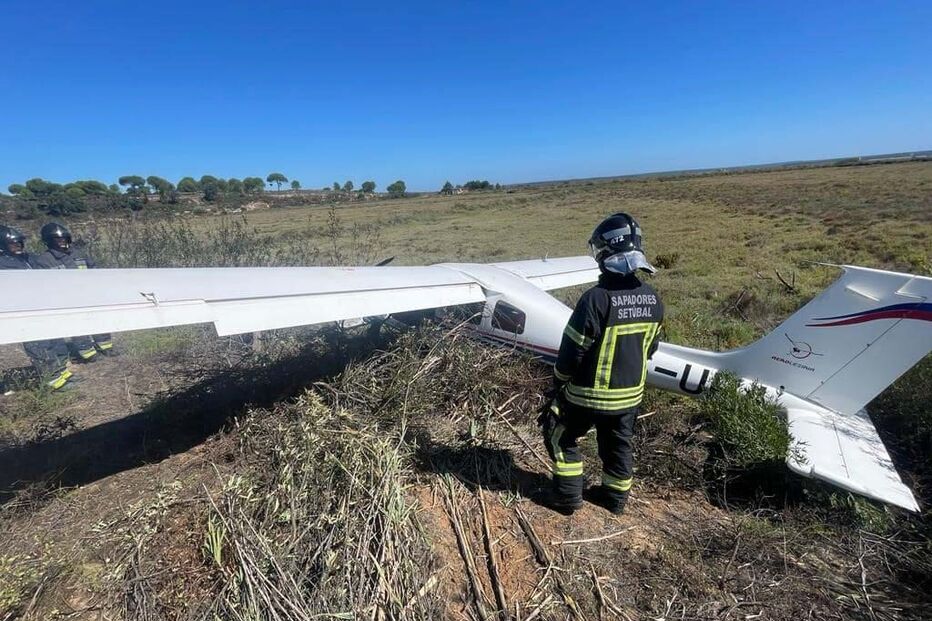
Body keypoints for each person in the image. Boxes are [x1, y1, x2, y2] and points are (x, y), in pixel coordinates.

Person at [540, 213, 664, 515]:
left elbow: (572, 351)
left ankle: (568, 497)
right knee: (618, 446)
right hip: (630, 398)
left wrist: (558, 381)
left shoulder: (595, 299)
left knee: (560, 434)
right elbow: (651, 348)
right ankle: (614, 499)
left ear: (606, 252)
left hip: (588, 395)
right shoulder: (653, 299)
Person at [0, 225, 74, 390]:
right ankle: (53, 381)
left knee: (55, 340)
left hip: (43, 306)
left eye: (19, 242)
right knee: (39, 345)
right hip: (23, 311)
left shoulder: (30, 258)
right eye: (13, 243)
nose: (17, 245)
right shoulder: (2, 264)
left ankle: (62, 373)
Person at [32, 222, 114, 360]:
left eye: (64, 238)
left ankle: (106, 346)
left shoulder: (78, 253)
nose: (62, 241)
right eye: (58, 239)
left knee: (98, 320)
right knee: (77, 325)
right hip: (67, 300)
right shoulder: (43, 260)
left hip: (88, 295)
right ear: (49, 241)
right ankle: (87, 353)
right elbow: (43, 285)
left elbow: (93, 269)